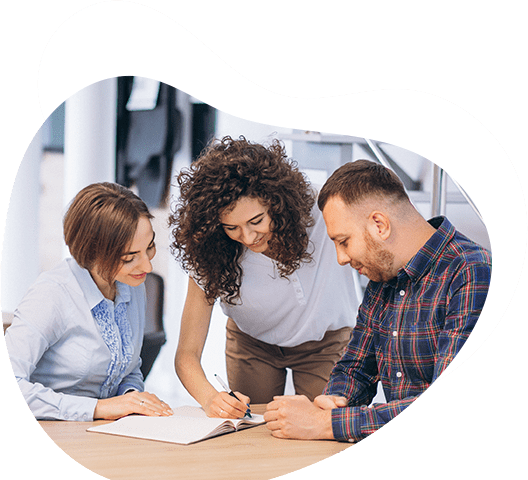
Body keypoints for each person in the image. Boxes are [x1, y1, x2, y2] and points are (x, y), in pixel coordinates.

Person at [264, 159, 491, 441]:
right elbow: (355, 368)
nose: (341, 258)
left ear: (379, 225)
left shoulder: (472, 272)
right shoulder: (383, 275)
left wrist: (326, 424)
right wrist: (333, 401)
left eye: (344, 241)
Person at [169, 136, 359, 419]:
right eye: (231, 227)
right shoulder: (209, 250)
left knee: (326, 426)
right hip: (252, 345)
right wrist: (211, 399)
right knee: (252, 429)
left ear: (278, 202)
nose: (247, 237)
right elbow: (186, 355)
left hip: (326, 342)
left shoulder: (320, 206)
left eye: (256, 221)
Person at [5, 182, 173, 421]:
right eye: (129, 257)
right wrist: (99, 408)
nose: (147, 266)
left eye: (150, 247)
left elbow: (129, 369)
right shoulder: (52, 295)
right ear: (91, 253)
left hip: (99, 431)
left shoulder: (132, 286)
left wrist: (132, 398)